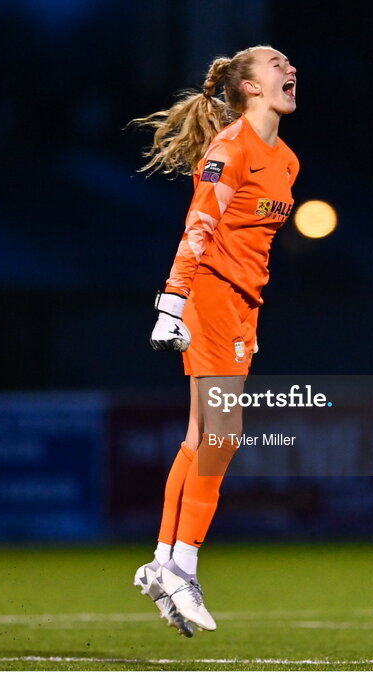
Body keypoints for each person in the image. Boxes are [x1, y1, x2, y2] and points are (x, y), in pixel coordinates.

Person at [128, 45, 299, 637]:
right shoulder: (230, 148)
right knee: (220, 433)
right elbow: (198, 225)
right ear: (249, 87)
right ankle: (180, 563)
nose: (289, 69)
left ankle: (167, 562)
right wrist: (170, 305)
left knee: (207, 436)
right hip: (208, 296)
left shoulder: (288, 161)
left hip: (243, 307)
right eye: (277, 64)